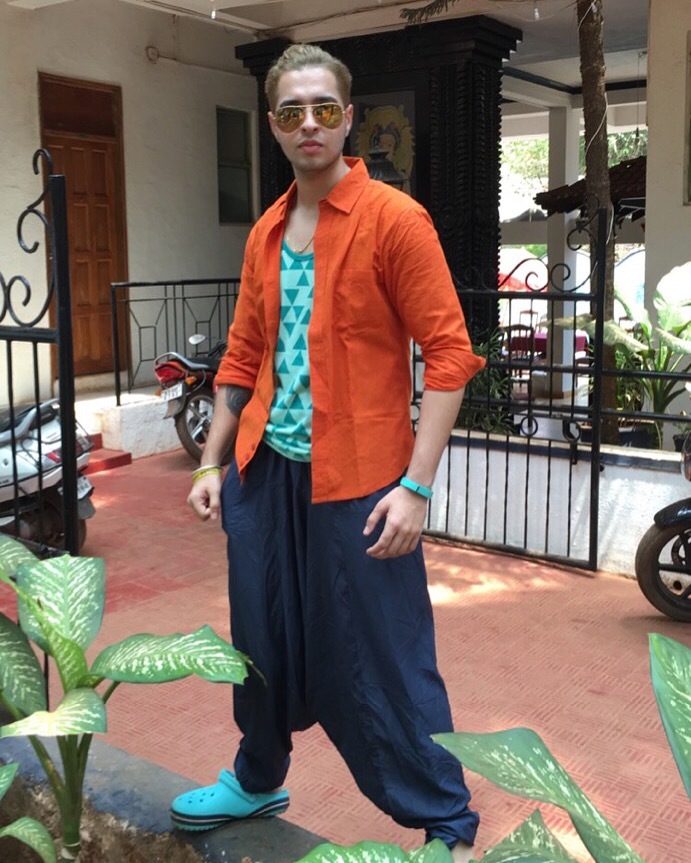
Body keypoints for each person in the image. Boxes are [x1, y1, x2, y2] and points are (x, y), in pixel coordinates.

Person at [170, 42, 485, 862]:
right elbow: (243, 356)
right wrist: (210, 461)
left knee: (384, 649)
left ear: (347, 119)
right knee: (259, 637)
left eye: (322, 109)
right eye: (290, 111)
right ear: (273, 124)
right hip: (265, 473)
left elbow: (449, 356)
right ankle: (257, 774)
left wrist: (416, 486)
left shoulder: (394, 220)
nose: (307, 124)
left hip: (362, 482)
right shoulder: (267, 231)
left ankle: (445, 820)